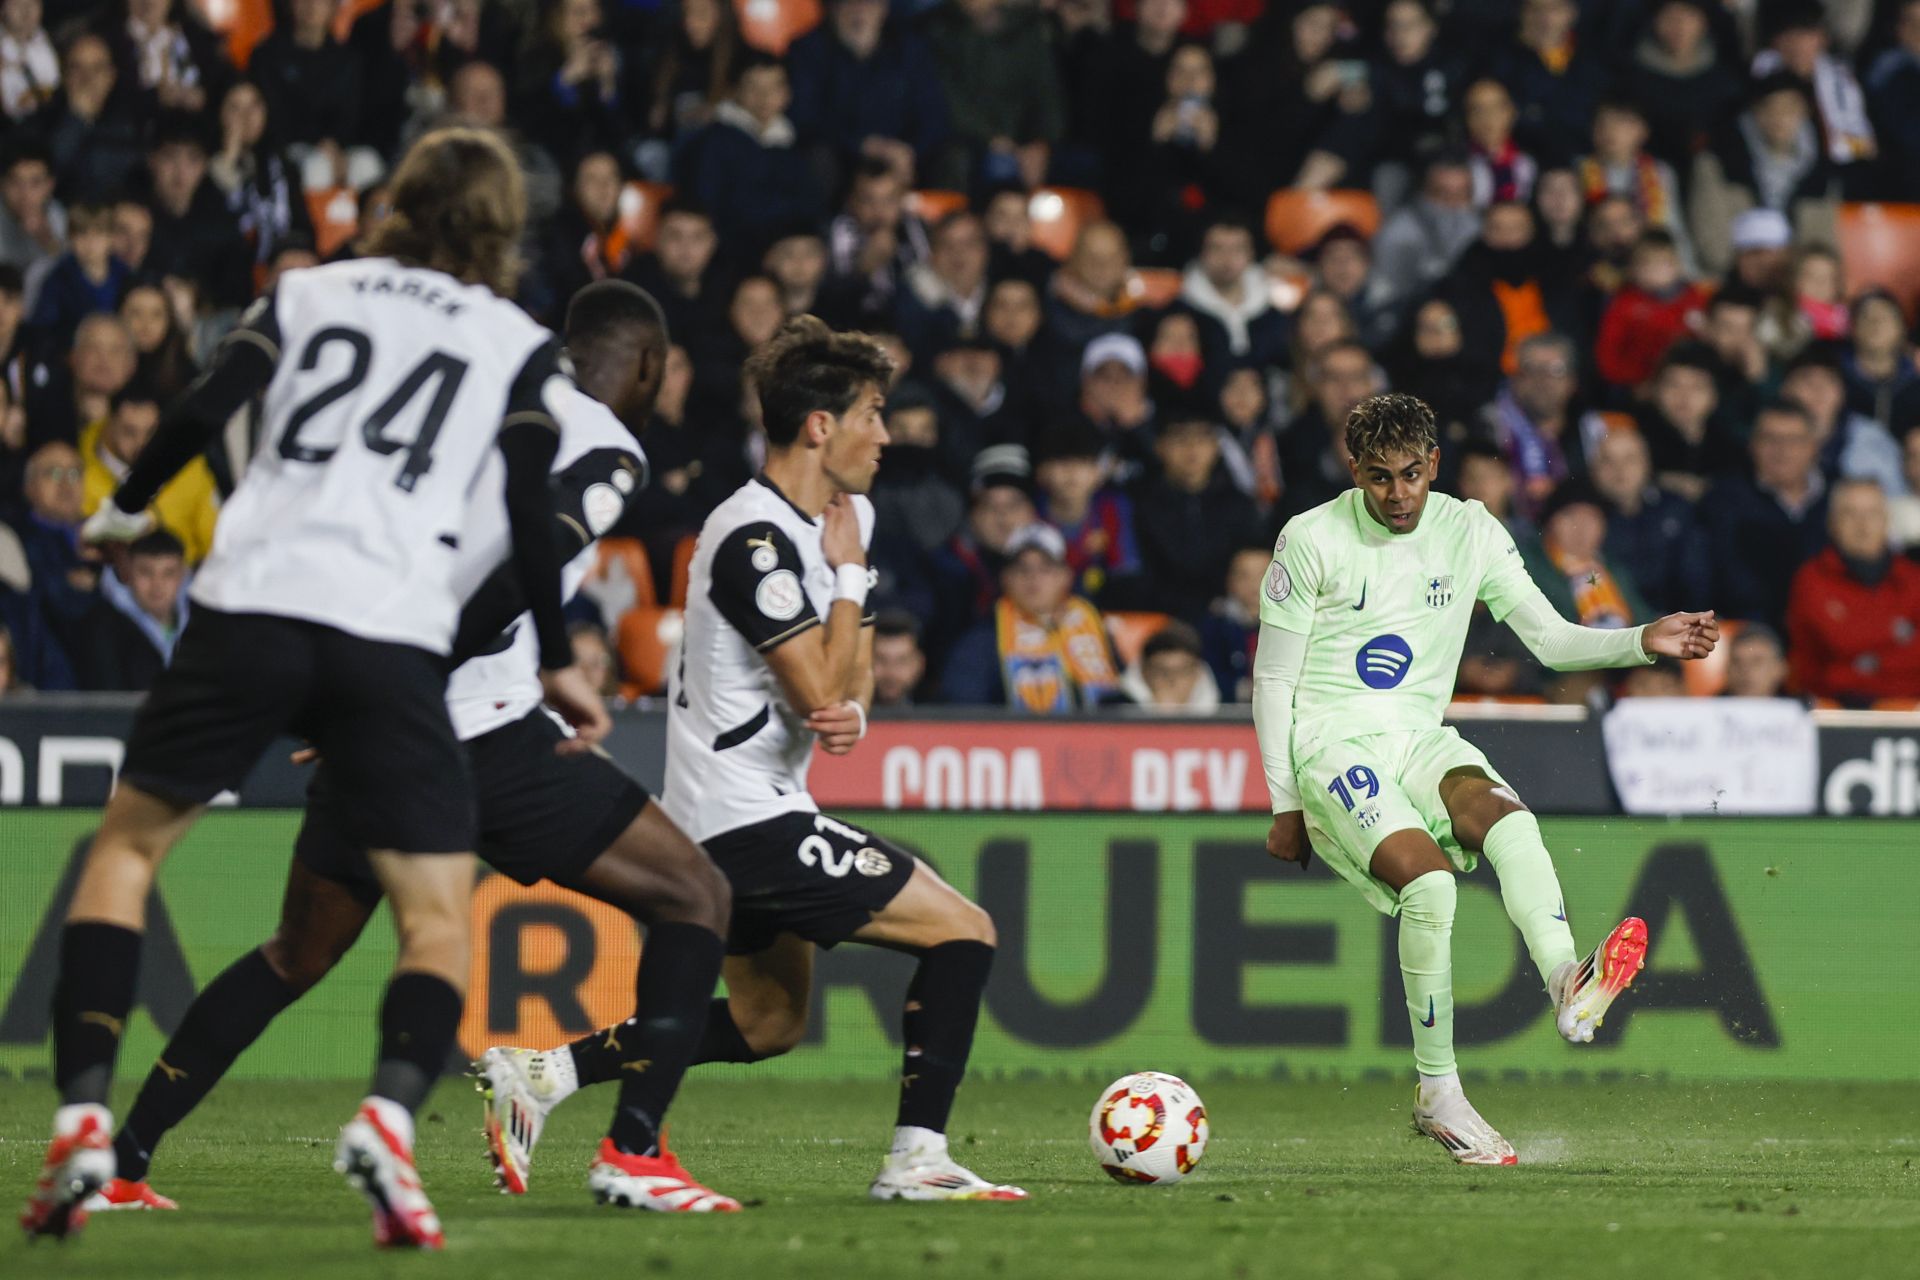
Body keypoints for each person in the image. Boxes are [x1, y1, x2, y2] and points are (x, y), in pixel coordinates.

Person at [19, 128, 601, 1250]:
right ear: (500, 227)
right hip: (390, 630)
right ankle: (387, 1113)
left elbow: (198, 408)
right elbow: (531, 510)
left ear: (399, 198)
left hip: (251, 604)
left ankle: (86, 1114)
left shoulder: (307, 291)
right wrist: (567, 654)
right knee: (436, 915)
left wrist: (126, 503)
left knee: (127, 851)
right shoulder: (519, 343)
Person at [93, 280, 740, 1219]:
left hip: (376, 718)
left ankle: (123, 1162)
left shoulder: (486, 401)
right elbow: (516, 576)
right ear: (647, 367)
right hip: (482, 733)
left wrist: (359, 695)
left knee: (292, 955)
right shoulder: (603, 442)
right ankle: (633, 1152)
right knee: (697, 897)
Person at [489, 315, 1027, 1201]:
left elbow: (844, 696)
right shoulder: (752, 538)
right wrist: (851, 582)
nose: (887, 436)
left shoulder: (824, 524)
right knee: (964, 931)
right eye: (874, 414)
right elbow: (824, 692)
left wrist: (845, 635)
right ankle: (917, 1159)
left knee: (766, 1021)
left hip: (753, 809)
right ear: (821, 426)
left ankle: (546, 1072)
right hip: (745, 822)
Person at [1252, 392, 1717, 1164]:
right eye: (1379, 478)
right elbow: (1273, 683)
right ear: (1354, 471)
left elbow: (1553, 641)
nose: (1398, 495)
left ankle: (1568, 984)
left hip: (1419, 736)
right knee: (1430, 889)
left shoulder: (1468, 530)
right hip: (1332, 745)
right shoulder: (1310, 539)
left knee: (1513, 822)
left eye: (1411, 474)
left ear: (1434, 464)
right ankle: (1439, 1093)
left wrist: (1643, 637)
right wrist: (1283, 801)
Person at [942, 519, 1119, 710]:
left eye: (1045, 569)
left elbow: (1125, 695)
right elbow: (962, 709)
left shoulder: (1093, 625)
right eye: (1022, 569)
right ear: (1005, 579)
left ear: (1065, 577)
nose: (1033, 578)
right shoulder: (983, 640)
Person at [1786, 478, 1920, 705]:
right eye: (1850, 513)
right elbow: (1831, 648)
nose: (1862, 524)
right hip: (1834, 709)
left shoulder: (1913, 579)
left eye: (1872, 513)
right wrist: (1895, 641)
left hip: (1908, 709)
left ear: (1887, 521)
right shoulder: (1812, 579)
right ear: (1832, 523)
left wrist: (1862, 663)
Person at [1702, 400, 1830, 631]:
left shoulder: (1838, 497)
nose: (1782, 450)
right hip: (1750, 631)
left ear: (1813, 446)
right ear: (1752, 445)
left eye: (1794, 440)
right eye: (1770, 439)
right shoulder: (1723, 501)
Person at [74, 527, 187, 691]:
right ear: (128, 574)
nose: (157, 585)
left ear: (182, 576)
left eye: (168, 573)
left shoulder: (203, 626)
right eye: (146, 572)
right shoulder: (103, 629)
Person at [1121, 618, 1219, 712]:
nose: (1172, 681)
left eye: (1182, 671)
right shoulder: (1112, 708)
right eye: (1162, 671)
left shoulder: (1226, 712)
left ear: (1198, 673)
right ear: (1143, 672)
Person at [871, 608, 927, 706]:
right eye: (881, 660)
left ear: (919, 664)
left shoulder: (940, 718)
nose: (891, 673)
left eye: (902, 661)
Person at [1724, 623, 1790, 698]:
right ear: (1727, 669)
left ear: (1780, 668)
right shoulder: (1709, 706)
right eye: (1736, 662)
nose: (1745, 670)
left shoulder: (1800, 708)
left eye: (1756, 662)